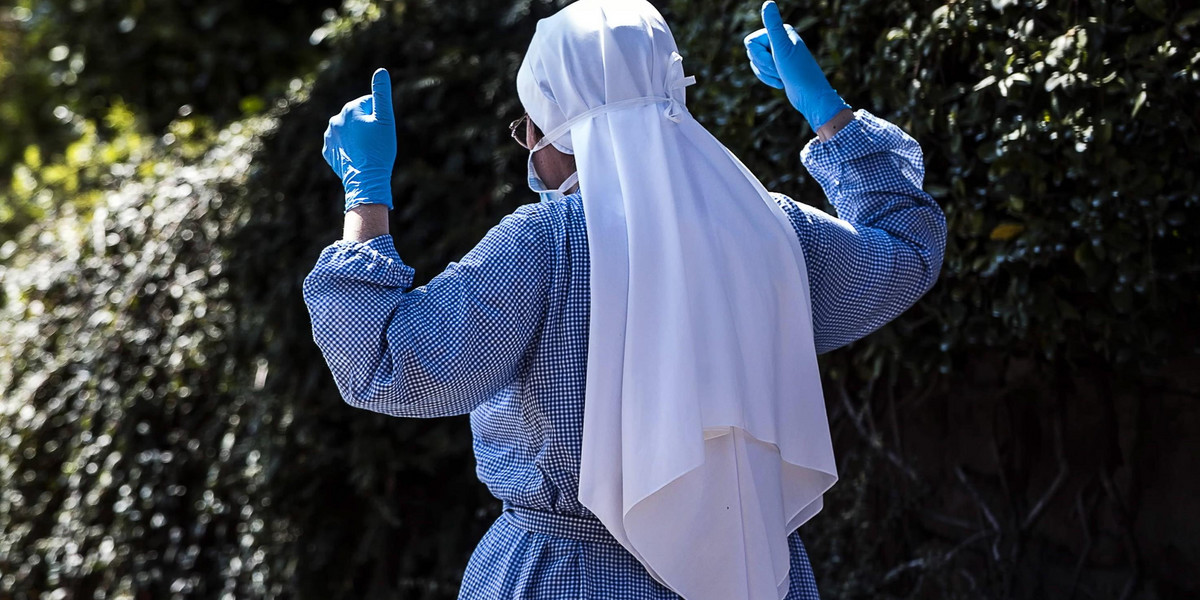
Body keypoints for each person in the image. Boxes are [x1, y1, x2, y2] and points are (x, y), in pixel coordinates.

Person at [305, 0, 947, 598]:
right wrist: (827, 112)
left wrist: (365, 198)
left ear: (554, 128)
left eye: (528, 123)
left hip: (565, 573)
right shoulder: (770, 229)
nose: (527, 145)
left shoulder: (545, 246)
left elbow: (385, 365)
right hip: (762, 574)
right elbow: (906, 252)